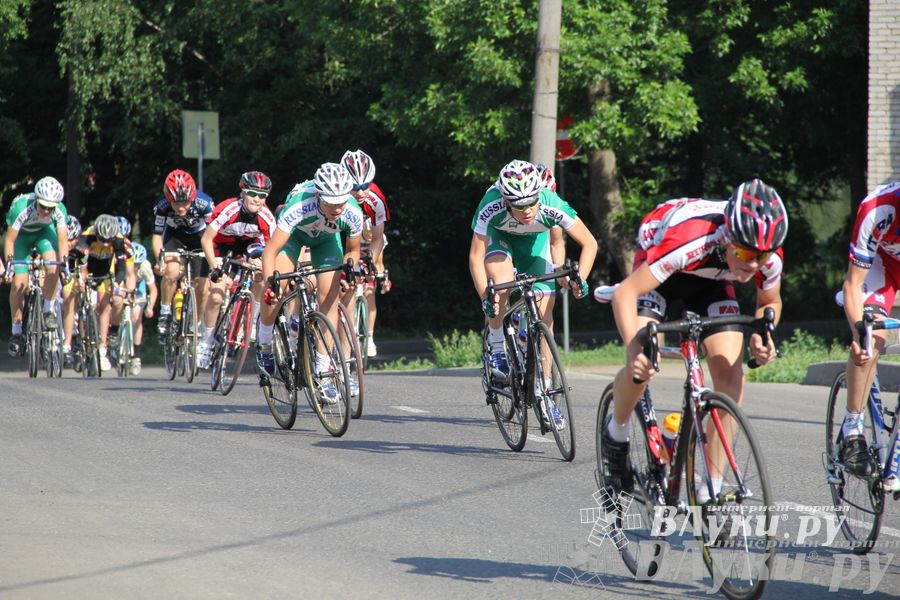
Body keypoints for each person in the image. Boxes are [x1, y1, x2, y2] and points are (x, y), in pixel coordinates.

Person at [603, 179, 787, 495]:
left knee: (731, 380)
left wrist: (763, 337)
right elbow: (626, 294)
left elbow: (769, 303)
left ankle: (711, 488)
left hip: (711, 281)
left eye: (761, 256)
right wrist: (635, 349)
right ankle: (616, 433)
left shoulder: (766, 255)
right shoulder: (689, 242)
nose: (752, 264)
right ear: (728, 238)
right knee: (644, 363)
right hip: (661, 268)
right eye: (744, 253)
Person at [468, 159, 597, 428]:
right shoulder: (490, 203)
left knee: (544, 313)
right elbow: (475, 257)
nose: (527, 210)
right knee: (501, 283)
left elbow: (589, 243)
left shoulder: (552, 203)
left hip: (534, 248)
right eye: (518, 205)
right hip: (500, 240)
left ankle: (545, 392)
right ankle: (496, 344)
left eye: (532, 202)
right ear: (505, 200)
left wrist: (580, 279)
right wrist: (485, 298)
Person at [260, 163, 364, 401]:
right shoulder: (299, 205)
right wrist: (271, 283)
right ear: (319, 196)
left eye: (342, 202)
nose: (338, 209)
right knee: (279, 287)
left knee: (329, 298)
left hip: (327, 242)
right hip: (293, 238)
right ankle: (264, 342)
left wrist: (349, 270)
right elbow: (270, 252)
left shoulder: (353, 211)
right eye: (332, 203)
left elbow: (353, 250)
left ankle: (323, 368)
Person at [840, 181, 900, 490]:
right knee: (872, 336)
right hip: (881, 266)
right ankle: (852, 429)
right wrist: (858, 330)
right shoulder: (879, 210)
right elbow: (853, 284)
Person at [198, 171, 275, 368]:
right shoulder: (229, 209)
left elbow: (271, 250)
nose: (257, 199)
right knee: (215, 296)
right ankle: (206, 341)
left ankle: (255, 319)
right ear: (242, 193)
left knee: (260, 272)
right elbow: (206, 239)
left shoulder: (266, 217)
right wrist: (215, 268)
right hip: (221, 247)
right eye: (252, 193)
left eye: (263, 195)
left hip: (248, 247)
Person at [3, 176, 68, 356]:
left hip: (43, 234)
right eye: (43, 206)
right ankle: (16, 331)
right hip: (21, 238)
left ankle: (48, 309)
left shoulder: (60, 210)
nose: (47, 211)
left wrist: (65, 265)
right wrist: (10, 266)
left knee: (53, 265)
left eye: (51, 208)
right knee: (19, 284)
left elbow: (63, 240)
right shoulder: (21, 207)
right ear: (36, 200)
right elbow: (9, 240)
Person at [151, 169, 214, 338]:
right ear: (168, 199)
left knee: (203, 286)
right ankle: (165, 312)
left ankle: (196, 323)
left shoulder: (205, 204)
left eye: (185, 202)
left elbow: (215, 234)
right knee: (170, 271)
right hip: (175, 237)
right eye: (176, 203)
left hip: (201, 238)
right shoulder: (161, 206)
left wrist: (215, 258)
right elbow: (157, 236)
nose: (181, 207)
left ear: (192, 197)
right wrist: (160, 260)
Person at [341, 149, 391, 358]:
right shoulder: (337, 198)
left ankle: (368, 337)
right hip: (341, 236)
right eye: (355, 187)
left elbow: (378, 239)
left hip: (367, 240)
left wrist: (372, 263)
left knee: (369, 290)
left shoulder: (375, 200)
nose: (361, 192)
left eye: (365, 186)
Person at [76, 214, 135, 371]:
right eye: (102, 240)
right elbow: (78, 260)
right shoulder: (87, 236)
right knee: (86, 306)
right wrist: (81, 279)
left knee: (105, 307)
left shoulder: (118, 240)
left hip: (105, 274)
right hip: (87, 271)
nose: (105, 243)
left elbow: (121, 267)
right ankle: (81, 342)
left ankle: (102, 348)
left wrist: (117, 282)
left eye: (108, 241)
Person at [61, 215, 86, 367]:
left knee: (70, 295)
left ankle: (68, 344)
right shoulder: (54, 245)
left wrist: (80, 282)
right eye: (67, 240)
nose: (69, 244)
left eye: (72, 240)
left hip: (71, 276)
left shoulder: (80, 249)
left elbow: (83, 271)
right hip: (56, 275)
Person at [130, 242, 158, 375]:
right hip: (123, 284)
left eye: (137, 264)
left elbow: (153, 290)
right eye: (133, 263)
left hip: (138, 289)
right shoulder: (121, 261)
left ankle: (136, 356)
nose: (135, 267)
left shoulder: (145, 267)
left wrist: (150, 307)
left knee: (136, 317)